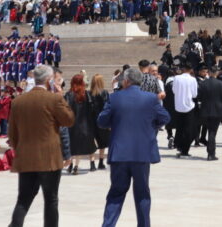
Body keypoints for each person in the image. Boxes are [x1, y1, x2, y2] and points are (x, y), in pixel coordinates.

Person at [97, 67, 170, 227]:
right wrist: (151, 125)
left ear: (126, 80)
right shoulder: (151, 98)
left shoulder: (114, 98)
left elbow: (102, 121)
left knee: (116, 193)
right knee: (142, 193)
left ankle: (108, 225)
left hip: (120, 153)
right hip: (142, 152)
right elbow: (165, 117)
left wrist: (114, 123)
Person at [8, 64, 75, 227]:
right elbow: (69, 120)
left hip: (26, 156)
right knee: (51, 199)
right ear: (48, 80)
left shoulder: (18, 101)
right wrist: (61, 96)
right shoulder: (54, 99)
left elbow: (12, 134)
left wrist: (19, 149)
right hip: (49, 158)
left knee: (23, 199)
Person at [64, 73, 97, 174]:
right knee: (79, 147)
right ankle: (76, 166)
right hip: (84, 124)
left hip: (71, 124)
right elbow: (92, 109)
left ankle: (71, 164)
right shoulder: (86, 94)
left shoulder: (69, 95)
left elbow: (65, 109)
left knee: (73, 146)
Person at [196, 64, 222, 161]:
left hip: (205, 110)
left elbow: (199, 97)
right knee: (212, 132)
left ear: (208, 72)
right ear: (216, 73)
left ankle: (210, 152)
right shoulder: (221, 84)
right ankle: (211, 153)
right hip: (217, 111)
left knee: (209, 131)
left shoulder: (203, 83)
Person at [171, 61, 198, 158]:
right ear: (191, 70)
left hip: (178, 106)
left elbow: (174, 91)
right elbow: (195, 94)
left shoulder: (176, 78)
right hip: (189, 106)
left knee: (180, 128)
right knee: (188, 129)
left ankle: (179, 145)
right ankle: (185, 150)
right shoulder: (193, 80)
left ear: (183, 69)